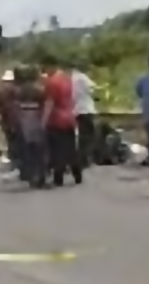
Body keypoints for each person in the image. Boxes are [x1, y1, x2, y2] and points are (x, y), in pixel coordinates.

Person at [41, 56, 82, 186]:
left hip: (56, 119)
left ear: (50, 66)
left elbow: (49, 103)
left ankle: (58, 178)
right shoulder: (67, 79)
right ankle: (77, 174)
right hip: (69, 117)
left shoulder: (52, 82)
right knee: (71, 148)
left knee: (57, 150)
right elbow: (73, 98)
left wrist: (43, 121)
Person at [13, 65, 49, 187]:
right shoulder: (40, 89)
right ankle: (41, 175)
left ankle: (29, 174)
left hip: (25, 119)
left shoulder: (20, 90)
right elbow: (45, 104)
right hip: (37, 118)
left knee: (29, 148)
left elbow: (16, 107)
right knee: (40, 149)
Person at [70, 63, 98, 167]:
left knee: (80, 136)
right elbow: (93, 90)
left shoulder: (71, 79)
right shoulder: (83, 78)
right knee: (88, 136)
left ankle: (80, 158)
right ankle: (85, 159)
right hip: (86, 109)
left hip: (75, 110)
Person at [0, 69, 21, 170]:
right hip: (14, 118)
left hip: (6, 118)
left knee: (10, 140)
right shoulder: (15, 90)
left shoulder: (1, 91)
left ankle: (13, 161)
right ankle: (16, 161)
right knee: (15, 141)